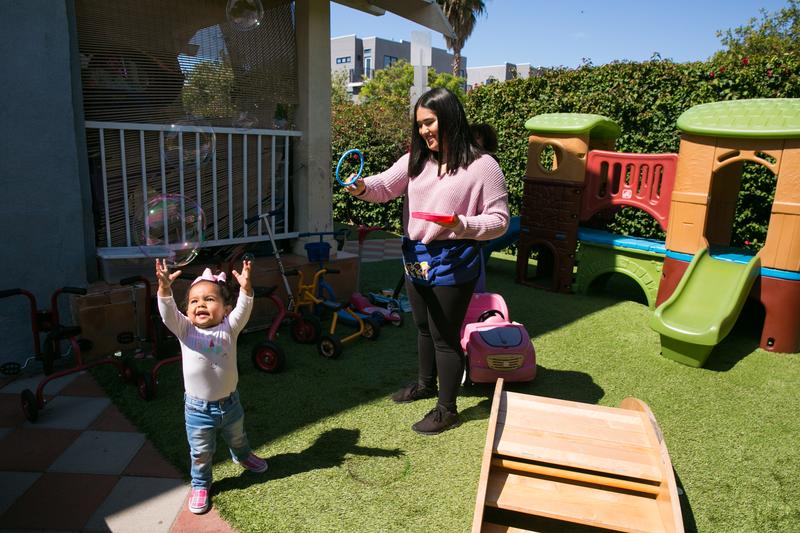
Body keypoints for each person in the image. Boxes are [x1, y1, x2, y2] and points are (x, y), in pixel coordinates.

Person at [345, 87, 510, 435]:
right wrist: (361, 187)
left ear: (450, 117)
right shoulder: (416, 160)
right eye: (419, 124)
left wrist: (462, 224)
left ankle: (447, 410)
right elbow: (384, 186)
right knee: (422, 326)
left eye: (430, 122)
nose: (424, 131)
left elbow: (499, 221)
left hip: (453, 258)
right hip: (416, 255)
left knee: (444, 336)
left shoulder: (483, 166)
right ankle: (425, 385)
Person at [155, 258, 268, 514]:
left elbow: (244, 309)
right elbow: (167, 313)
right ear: (187, 310)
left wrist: (246, 289)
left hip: (230, 403)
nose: (201, 304)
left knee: (238, 436)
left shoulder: (230, 328)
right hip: (197, 410)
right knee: (201, 452)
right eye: (194, 301)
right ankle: (201, 483)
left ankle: (242, 455)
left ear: (226, 309)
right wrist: (164, 289)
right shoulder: (185, 330)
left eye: (209, 299)